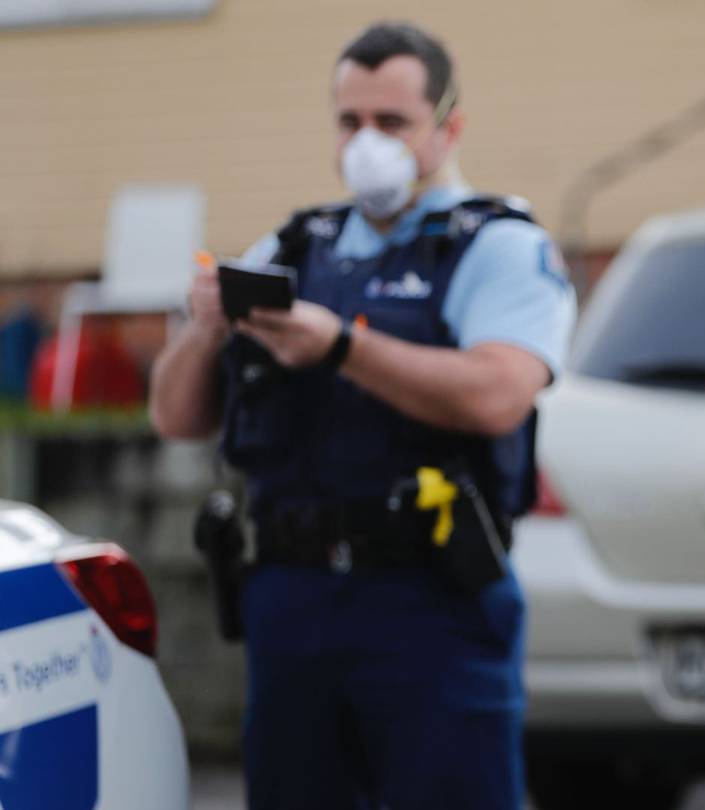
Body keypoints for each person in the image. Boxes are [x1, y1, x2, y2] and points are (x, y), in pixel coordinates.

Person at [150, 20, 575, 810]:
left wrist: (341, 346)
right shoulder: (295, 246)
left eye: (391, 123)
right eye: (350, 122)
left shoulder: (494, 245)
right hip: (292, 597)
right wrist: (205, 326)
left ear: (447, 127)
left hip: (430, 596)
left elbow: (496, 393)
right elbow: (176, 416)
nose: (366, 143)